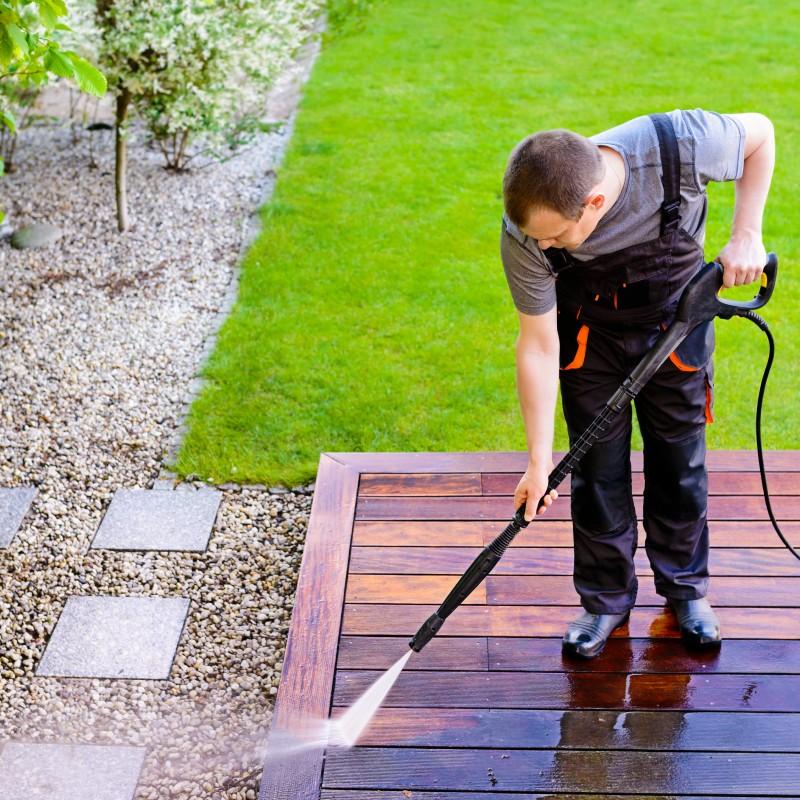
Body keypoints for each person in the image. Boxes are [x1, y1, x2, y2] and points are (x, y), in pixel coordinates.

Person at [500, 108, 774, 658]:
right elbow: (538, 344)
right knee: (596, 472)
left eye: (555, 237)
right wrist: (537, 460)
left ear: (594, 202)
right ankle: (604, 601)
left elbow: (761, 134)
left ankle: (686, 591)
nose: (544, 247)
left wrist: (747, 233)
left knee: (680, 465)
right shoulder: (526, 233)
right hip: (590, 338)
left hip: (677, 326)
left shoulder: (681, 144)